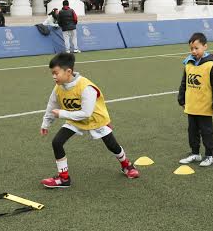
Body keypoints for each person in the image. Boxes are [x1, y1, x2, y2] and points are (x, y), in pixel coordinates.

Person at [39, 52, 139, 187]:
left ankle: (127, 165)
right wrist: (46, 123)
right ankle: (63, 178)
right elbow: (51, 105)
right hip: (75, 119)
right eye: (52, 73)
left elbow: (86, 113)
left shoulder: (86, 87)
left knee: (112, 146)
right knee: (57, 142)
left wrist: (62, 114)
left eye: (56, 73)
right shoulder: (58, 88)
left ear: (68, 71)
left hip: (95, 119)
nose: (53, 76)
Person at [178, 33, 213, 167]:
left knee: (206, 132)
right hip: (191, 106)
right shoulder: (188, 64)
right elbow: (183, 83)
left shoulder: (211, 66)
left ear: (205, 46)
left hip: (204, 107)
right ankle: (195, 153)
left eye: (196, 48)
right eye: (191, 48)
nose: (194, 51)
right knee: (192, 131)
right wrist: (181, 99)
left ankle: (209, 155)